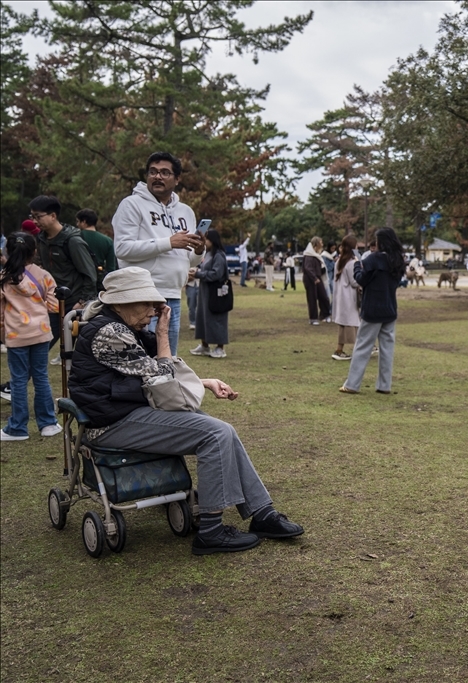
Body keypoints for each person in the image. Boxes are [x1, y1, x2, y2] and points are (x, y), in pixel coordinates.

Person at [68, 267, 303, 554]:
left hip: (128, 412)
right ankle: (212, 532)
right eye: (148, 304)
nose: (154, 311)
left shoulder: (125, 326)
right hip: (112, 424)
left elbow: (157, 376)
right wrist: (164, 334)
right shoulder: (111, 331)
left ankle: (261, 512)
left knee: (221, 431)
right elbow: (161, 378)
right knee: (216, 434)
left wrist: (204, 382)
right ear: (122, 301)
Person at [112, 151, 204, 356]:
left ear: (177, 179)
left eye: (164, 172)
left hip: (172, 295)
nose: (157, 177)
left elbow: (187, 260)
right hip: (142, 297)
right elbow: (122, 249)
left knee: (168, 361)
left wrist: (198, 250)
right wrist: (168, 243)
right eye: (152, 172)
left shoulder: (186, 212)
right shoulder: (131, 204)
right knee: (144, 361)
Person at [1, 232, 61, 441]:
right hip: (41, 332)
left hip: (16, 334)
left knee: (18, 381)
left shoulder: (4, 278)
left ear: (7, 251)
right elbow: (54, 306)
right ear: (34, 252)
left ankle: (17, 427)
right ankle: (48, 424)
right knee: (41, 377)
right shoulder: (44, 276)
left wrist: (3, 334)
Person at [30, 195, 99, 358]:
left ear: (53, 216)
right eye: (32, 216)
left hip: (73, 304)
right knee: (40, 345)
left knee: (76, 352)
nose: (34, 221)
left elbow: (90, 275)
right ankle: (16, 383)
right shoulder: (41, 238)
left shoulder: (72, 241)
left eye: (38, 216)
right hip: (53, 301)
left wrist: (81, 302)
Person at [339, 228, 404, 395]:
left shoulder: (373, 259)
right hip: (390, 308)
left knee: (362, 346)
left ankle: (352, 384)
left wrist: (356, 267)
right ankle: (384, 385)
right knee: (387, 349)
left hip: (373, 308)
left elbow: (361, 279)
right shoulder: (397, 261)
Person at [190, 229, 230, 358]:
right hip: (205, 291)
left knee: (217, 318)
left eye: (206, 239)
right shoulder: (208, 254)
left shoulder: (219, 255)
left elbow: (216, 274)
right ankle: (204, 345)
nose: (204, 242)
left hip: (216, 291)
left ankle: (220, 347)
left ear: (212, 240)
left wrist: (198, 274)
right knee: (202, 317)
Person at [331, 235, 360, 360]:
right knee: (352, 324)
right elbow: (354, 282)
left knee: (343, 324)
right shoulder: (352, 262)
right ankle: (359, 351)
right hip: (349, 298)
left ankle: (339, 350)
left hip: (340, 296)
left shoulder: (339, 261)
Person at [75, 208, 118, 288]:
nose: (77, 225)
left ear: (84, 222)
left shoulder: (75, 237)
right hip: (100, 282)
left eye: (78, 221)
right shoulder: (108, 241)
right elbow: (111, 268)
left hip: (79, 282)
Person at [302, 237, 332, 325]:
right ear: (316, 244)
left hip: (318, 278)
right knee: (312, 298)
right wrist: (314, 278)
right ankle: (313, 318)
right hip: (310, 279)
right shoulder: (308, 255)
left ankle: (325, 315)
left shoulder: (316, 255)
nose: (322, 244)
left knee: (324, 297)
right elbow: (308, 268)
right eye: (321, 242)